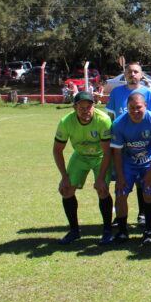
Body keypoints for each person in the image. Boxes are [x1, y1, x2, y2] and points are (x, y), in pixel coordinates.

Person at [52, 91, 114, 245]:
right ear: (74, 107)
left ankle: (107, 230)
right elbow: (57, 149)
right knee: (66, 190)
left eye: (88, 106)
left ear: (94, 106)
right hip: (80, 156)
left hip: (100, 156)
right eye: (81, 107)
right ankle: (74, 230)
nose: (85, 110)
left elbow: (108, 151)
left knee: (103, 189)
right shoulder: (66, 121)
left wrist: (100, 179)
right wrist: (64, 177)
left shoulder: (103, 120)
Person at [106, 62, 151, 229]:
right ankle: (119, 217)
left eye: (135, 72)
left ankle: (142, 213)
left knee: (142, 182)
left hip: (144, 146)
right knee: (121, 181)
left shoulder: (148, 93)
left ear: (141, 75)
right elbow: (111, 116)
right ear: (124, 74)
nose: (132, 74)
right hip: (122, 143)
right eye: (128, 72)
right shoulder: (116, 92)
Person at [110, 93, 151, 243]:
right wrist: (120, 176)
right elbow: (117, 152)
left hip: (148, 163)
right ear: (126, 108)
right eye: (131, 108)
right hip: (128, 163)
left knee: (148, 194)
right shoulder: (119, 124)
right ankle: (122, 231)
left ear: (145, 106)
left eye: (138, 107)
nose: (135, 111)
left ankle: (148, 231)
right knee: (120, 194)